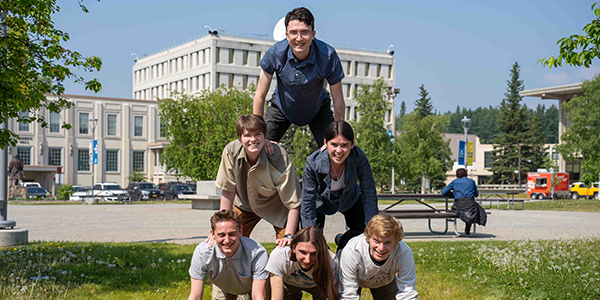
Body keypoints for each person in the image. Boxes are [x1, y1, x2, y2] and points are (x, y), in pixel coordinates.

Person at [253, 7, 345, 148]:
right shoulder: (275, 53)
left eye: (304, 32)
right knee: (256, 145)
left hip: (318, 109)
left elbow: (338, 99)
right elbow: (259, 95)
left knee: (337, 147)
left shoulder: (327, 55)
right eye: (294, 33)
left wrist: (338, 135)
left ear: (313, 34)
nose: (299, 38)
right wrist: (258, 133)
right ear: (287, 35)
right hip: (282, 107)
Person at [216, 114, 301, 247]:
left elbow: (294, 202)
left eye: (258, 134)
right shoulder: (231, 152)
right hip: (243, 205)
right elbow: (227, 192)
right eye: (247, 135)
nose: (253, 139)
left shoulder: (279, 157)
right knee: (228, 243)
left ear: (265, 135)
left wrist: (289, 236)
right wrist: (221, 228)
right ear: (239, 138)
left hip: (276, 206)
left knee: (291, 248)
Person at [301, 120, 378, 250]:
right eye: (334, 144)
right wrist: (309, 234)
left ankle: (343, 242)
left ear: (352, 144)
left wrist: (374, 225)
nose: (339, 151)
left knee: (365, 232)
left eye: (344, 145)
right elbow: (308, 200)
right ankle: (325, 255)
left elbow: (368, 190)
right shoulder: (313, 163)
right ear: (325, 143)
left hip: (349, 198)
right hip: (320, 202)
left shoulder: (359, 157)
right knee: (314, 240)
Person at [188, 210, 269, 300]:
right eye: (221, 235)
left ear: (240, 231)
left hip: (254, 284)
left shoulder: (257, 253)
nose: (227, 240)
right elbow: (195, 295)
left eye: (231, 234)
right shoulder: (202, 253)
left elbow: (258, 295)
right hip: (223, 285)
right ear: (212, 234)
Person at [338, 214, 418, 300]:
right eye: (376, 241)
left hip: (385, 281)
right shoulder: (352, 251)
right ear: (368, 237)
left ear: (396, 242)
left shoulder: (404, 253)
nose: (381, 248)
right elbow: (348, 295)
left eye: (387, 242)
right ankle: (340, 239)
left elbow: (408, 293)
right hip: (354, 276)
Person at [266, 226, 339, 300]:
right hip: (288, 285)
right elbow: (276, 298)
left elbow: (332, 296)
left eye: (314, 253)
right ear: (293, 248)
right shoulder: (280, 255)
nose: (308, 260)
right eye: (303, 252)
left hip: (318, 285)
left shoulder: (331, 261)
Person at [441, 168, 487, 235]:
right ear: (466, 174)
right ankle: (468, 228)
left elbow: (443, 192)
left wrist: (454, 194)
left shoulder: (455, 182)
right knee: (472, 210)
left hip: (459, 205)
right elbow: (476, 194)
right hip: (470, 204)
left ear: (457, 174)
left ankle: (458, 229)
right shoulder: (472, 182)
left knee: (460, 210)